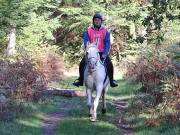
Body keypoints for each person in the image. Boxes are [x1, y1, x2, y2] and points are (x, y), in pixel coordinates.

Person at [73, 13, 118, 87]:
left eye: (99, 20)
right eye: (95, 20)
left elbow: (107, 43)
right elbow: (86, 41)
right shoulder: (89, 30)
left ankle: (111, 80)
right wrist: (88, 50)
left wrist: (105, 53)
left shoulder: (105, 31)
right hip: (92, 53)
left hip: (101, 53)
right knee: (82, 63)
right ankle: (80, 80)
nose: (97, 21)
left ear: (101, 21)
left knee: (110, 64)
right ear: (93, 21)